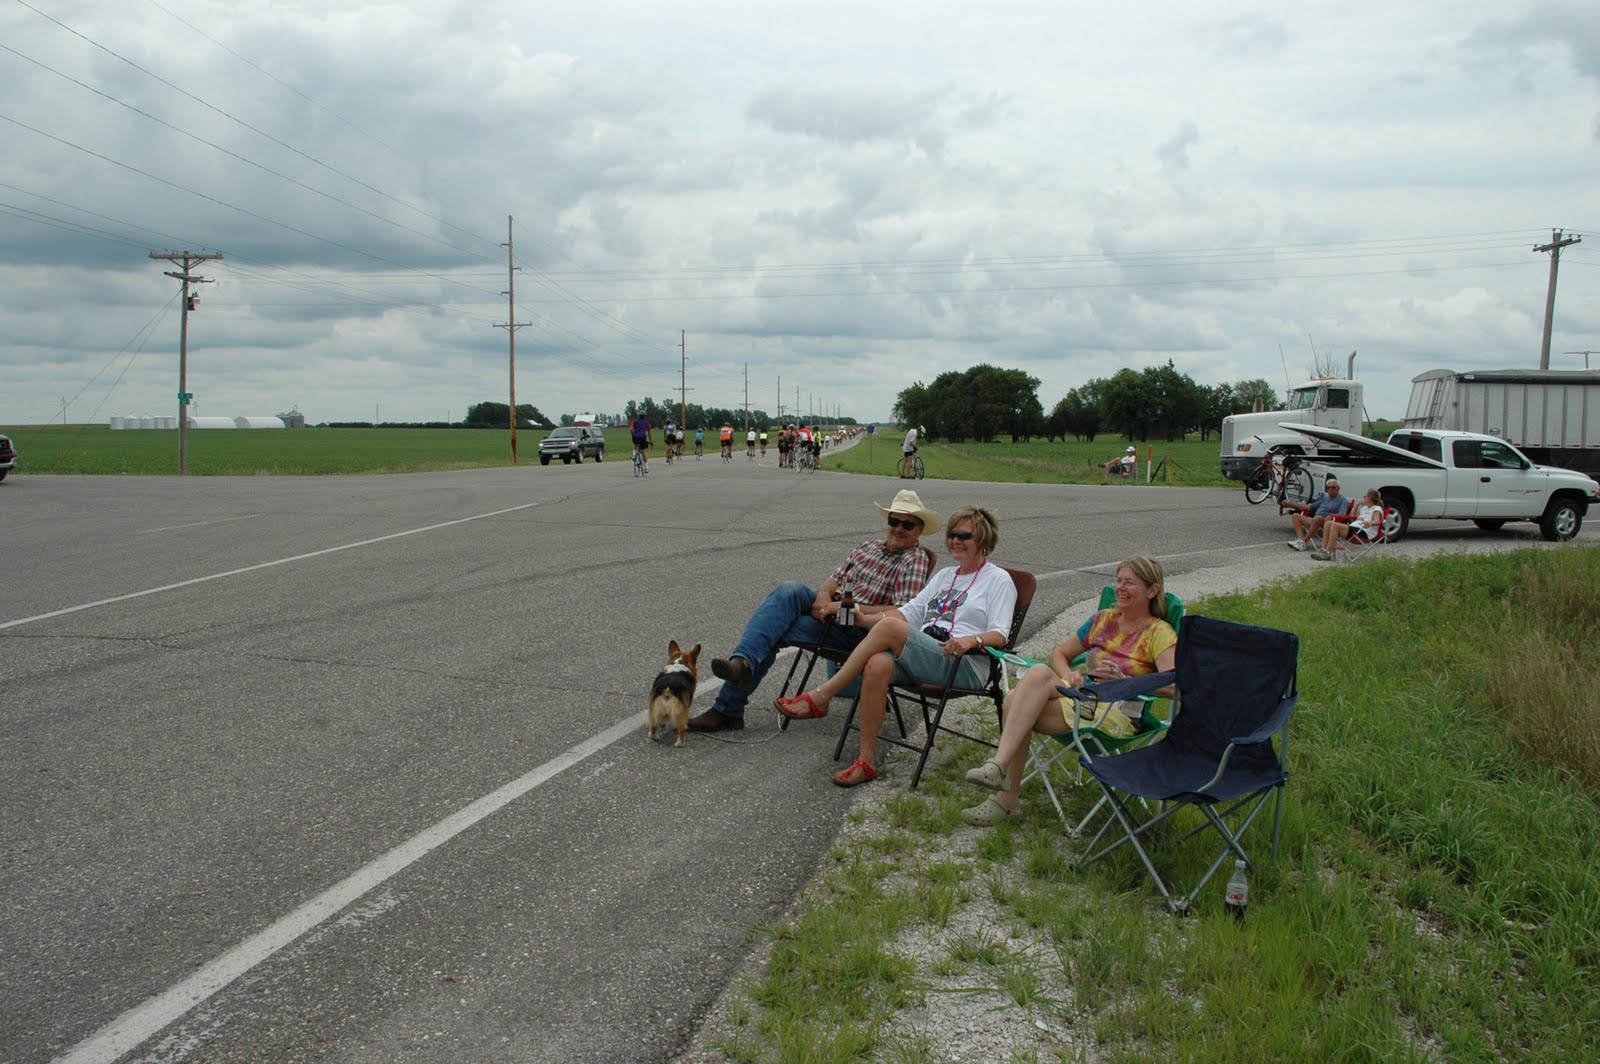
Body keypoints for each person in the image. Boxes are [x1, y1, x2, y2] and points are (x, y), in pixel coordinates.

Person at [777, 506, 1017, 788]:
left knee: (890, 630)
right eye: (952, 534)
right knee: (877, 664)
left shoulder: (999, 580)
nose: (955, 540)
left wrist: (972, 640)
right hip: (929, 654)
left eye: (964, 535)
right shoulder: (945, 576)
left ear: (984, 541)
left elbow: (1000, 635)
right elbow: (907, 614)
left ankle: (822, 696)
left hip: (964, 664)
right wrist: (864, 619)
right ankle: (866, 760)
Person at [689, 490, 940, 734]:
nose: (899, 528)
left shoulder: (914, 559)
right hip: (833, 612)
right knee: (790, 589)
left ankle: (728, 707)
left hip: (860, 630)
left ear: (919, 531)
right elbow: (833, 580)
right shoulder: (868, 547)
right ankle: (741, 664)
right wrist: (822, 599)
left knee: (775, 628)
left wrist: (842, 607)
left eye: (908, 525)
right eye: (894, 521)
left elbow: (901, 611)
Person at [960, 555, 1177, 825]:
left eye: (1129, 583)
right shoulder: (1103, 619)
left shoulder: (1160, 633)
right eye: (1118, 580)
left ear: (1152, 590)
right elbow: (1059, 654)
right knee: (1036, 677)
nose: (1119, 587)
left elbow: (1174, 686)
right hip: (1082, 696)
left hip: (1117, 712)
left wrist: (1124, 680)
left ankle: (1005, 793)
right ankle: (1000, 772)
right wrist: (1069, 675)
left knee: (1016, 701)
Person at [1312, 488, 1384, 560]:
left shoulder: (1376, 508)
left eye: (1365, 496)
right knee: (1328, 523)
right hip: (1354, 529)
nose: (1364, 498)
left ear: (1370, 498)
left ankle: (1329, 552)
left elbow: (1377, 521)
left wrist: (1370, 522)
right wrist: (1357, 505)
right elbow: (1352, 517)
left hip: (1364, 532)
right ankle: (1324, 550)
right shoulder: (1364, 508)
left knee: (1335, 525)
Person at [1286, 477, 1351, 550]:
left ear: (1338, 488)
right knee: (1295, 516)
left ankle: (1304, 542)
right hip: (1314, 520)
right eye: (1328, 488)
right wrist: (1292, 504)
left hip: (1326, 523)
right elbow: (1309, 507)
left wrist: (1331, 515)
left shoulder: (1342, 500)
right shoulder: (1326, 499)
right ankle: (1301, 541)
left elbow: (1342, 515)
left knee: (1318, 518)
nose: (1330, 489)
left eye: (1333, 487)